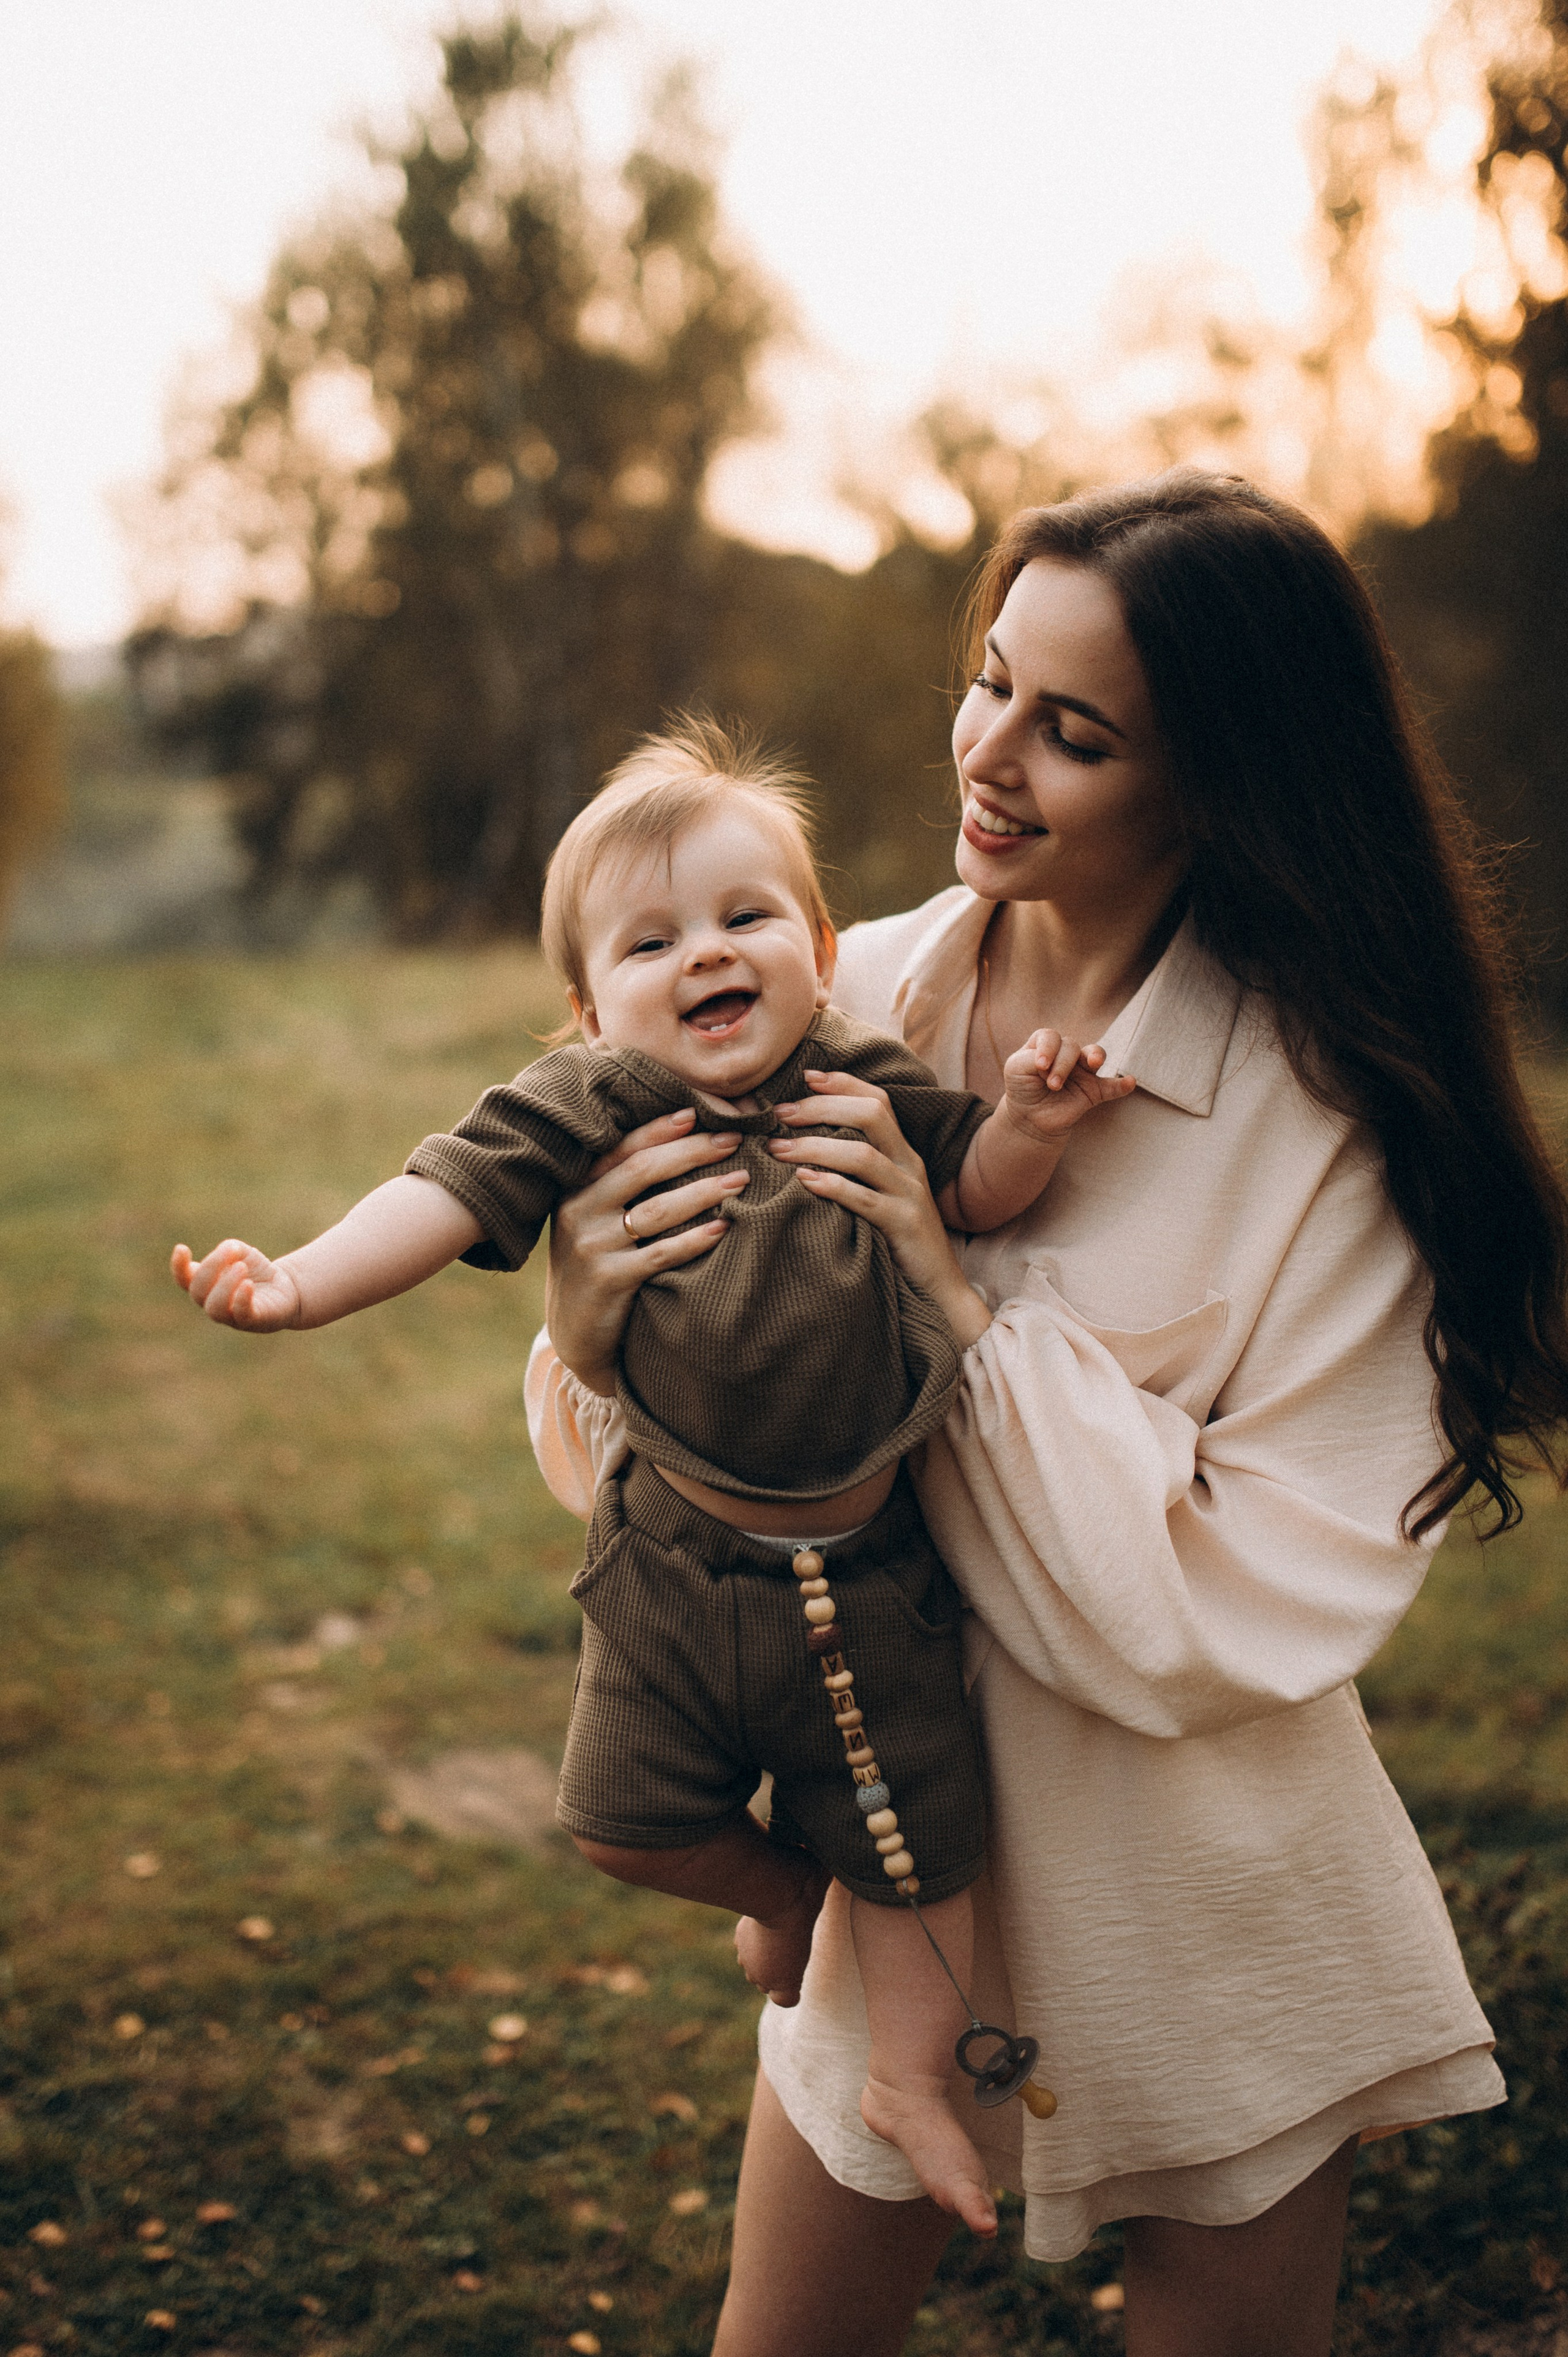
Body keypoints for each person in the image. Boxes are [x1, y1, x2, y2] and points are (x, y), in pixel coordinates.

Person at [526, 470, 1568, 2357]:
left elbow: (1245, 1599)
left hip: (1208, 1901)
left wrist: (950, 1304)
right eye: (988, 681)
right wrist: (595, 1334)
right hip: (898, 1866)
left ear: (1217, 781)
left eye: (1071, 732)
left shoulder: (1328, 1121)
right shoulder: (830, 987)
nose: (988, 755)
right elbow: (680, 1481)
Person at [171, 718, 1132, 2237]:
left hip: (870, 1573)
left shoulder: (859, 1079)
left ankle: (907, 2078)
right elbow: (438, 1192)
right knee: (618, 1817)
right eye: (651, 939)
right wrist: (299, 1284)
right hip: (667, 1569)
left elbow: (970, 1186)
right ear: (588, 1005)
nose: (706, 955)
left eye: (747, 918)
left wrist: (1026, 1124)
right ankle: (778, 1892)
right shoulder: (590, 1105)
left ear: (817, 945)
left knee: (921, 1842)